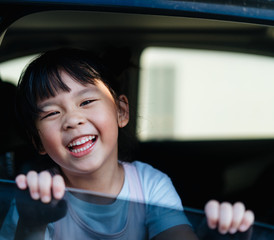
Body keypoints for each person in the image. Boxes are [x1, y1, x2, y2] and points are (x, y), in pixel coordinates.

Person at [1, 48, 254, 239]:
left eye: (86, 102)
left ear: (121, 111)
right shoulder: (37, 197)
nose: (73, 120)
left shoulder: (149, 186)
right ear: (38, 141)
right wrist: (33, 224)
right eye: (52, 113)